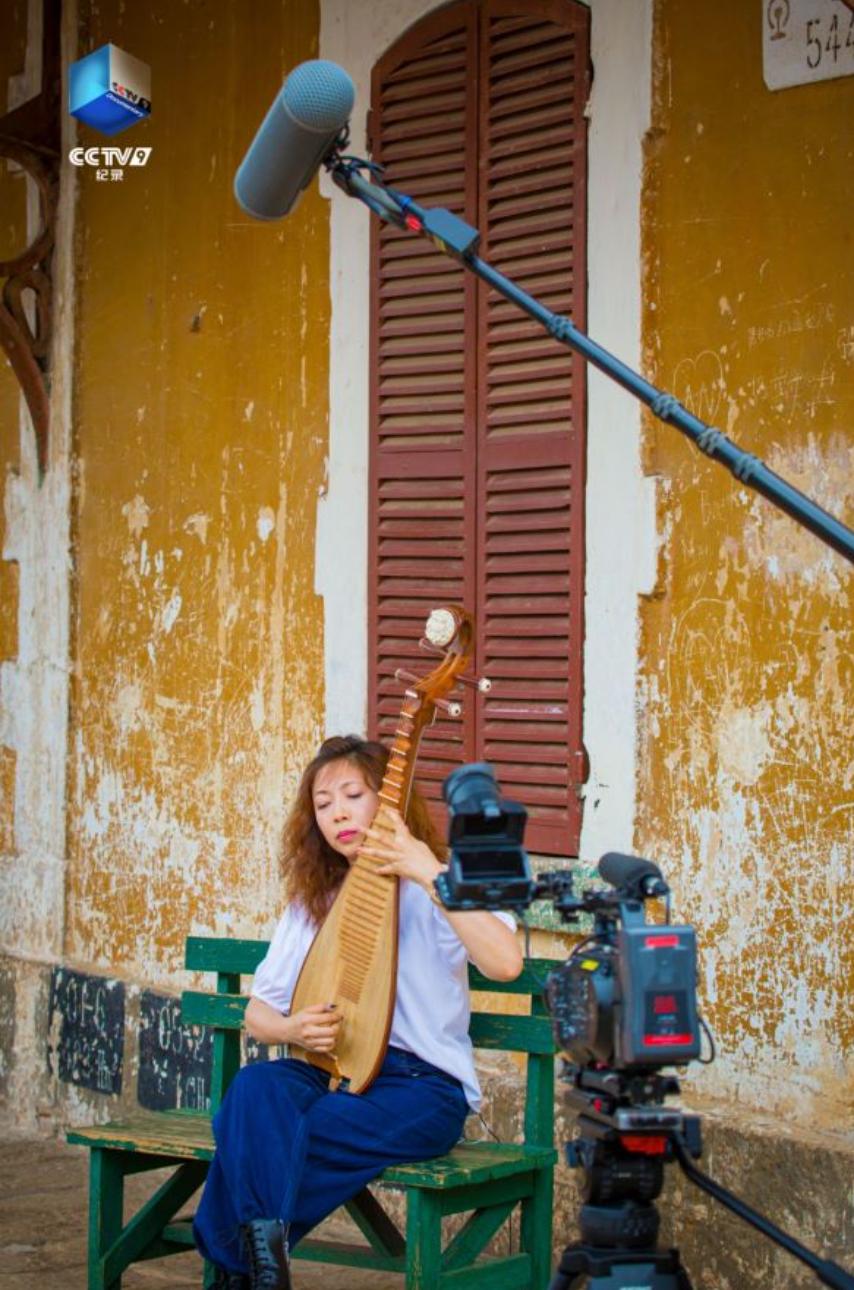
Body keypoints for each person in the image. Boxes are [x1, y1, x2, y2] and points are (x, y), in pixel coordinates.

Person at [193, 735, 523, 1290]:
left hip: (421, 1088)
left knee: (266, 1133)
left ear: (388, 802)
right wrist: (293, 1028)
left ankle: (242, 1271)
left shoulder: (444, 881)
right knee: (253, 1093)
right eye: (323, 804)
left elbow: (506, 963)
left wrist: (426, 870)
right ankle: (263, 1269)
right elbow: (259, 1015)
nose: (338, 813)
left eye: (352, 794)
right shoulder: (315, 898)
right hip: (331, 1071)